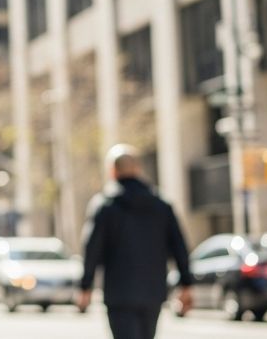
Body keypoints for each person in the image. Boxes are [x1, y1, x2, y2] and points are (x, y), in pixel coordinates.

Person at [78, 144, 194, 339]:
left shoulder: (105, 206)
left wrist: (85, 287)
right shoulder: (161, 204)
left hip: (119, 293)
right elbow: (179, 245)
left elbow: (92, 249)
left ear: (113, 171)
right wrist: (186, 284)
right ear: (138, 169)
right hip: (153, 291)